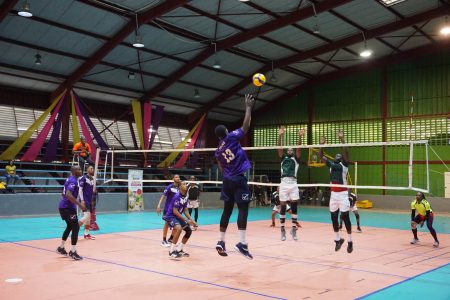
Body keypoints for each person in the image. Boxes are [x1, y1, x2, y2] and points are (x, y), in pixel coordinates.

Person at [215, 94, 254, 259]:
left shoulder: (218, 149)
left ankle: (221, 241)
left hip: (227, 180)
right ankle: (242, 243)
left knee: (227, 210)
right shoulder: (231, 137)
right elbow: (245, 126)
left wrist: (227, 174)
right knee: (243, 208)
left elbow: (220, 165)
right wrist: (248, 107)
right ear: (226, 132)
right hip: (238, 178)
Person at [319, 130, 353, 253]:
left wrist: (342, 139)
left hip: (343, 194)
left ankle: (350, 241)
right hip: (334, 195)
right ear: (334, 158)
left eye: (340, 156)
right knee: (333, 218)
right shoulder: (331, 165)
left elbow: (346, 151)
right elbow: (320, 156)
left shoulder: (345, 165)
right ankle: (338, 239)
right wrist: (321, 144)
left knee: (345, 217)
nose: (338, 156)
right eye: (336, 156)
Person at [277, 126, 304, 241]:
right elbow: (279, 148)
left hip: (293, 183)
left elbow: (298, 148)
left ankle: (293, 229)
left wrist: (299, 136)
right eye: (287, 150)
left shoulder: (296, 158)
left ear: (292, 152)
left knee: (294, 205)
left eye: (291, 150)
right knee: (283, 205)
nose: (289, 151)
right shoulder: (283, 157)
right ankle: (282, 229)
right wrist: (280, 135)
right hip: (283, 183)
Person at [57, 166, 85, 261]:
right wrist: (80, 205)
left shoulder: (69, 178)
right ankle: (73, 252)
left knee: (70, 226)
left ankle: (61, 247)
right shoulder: (73, 181)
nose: (81, 171)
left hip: (63, 206)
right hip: (67, 208)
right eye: (79, 169)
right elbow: (68, 194)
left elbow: (63, 193)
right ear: (74, 171)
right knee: (76, 227)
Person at [165, 181, 197, 258]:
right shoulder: (177, 196)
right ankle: (171, 251)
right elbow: (175, 211)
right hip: (171, 216)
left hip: (178, 217)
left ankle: (179, 249)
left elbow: (185, 210)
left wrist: (192, 220)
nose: (186, 185)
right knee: (179, 229)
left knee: (188, 231)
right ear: (180, 187)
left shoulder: (185, 196)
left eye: (186, 184)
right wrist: (186, 220)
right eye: (183, 184)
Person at [156, 174, 180, 247]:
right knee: (166, 223)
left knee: (177, 224)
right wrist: (158, 206)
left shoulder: (180, 188)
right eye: (176, 177)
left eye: (178, 177)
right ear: (173, 179)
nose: (178, 178)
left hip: (176, 209)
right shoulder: (169, 187)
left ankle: (171, 239)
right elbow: (163, 196)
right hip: (168, 209)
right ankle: (164, 240)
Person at [79, 165, 96, 240]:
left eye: (93, 168)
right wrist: (82, 200)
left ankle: (86, 234)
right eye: (91, 168)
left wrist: (92, 201)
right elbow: (80, 190)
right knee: (87, 216)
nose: (92, 169)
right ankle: (75, 227)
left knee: (88, 218)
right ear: (87, 169)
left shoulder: (92, 179)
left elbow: (92, 192)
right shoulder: (83, 178)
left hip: (89, 201)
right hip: (84, 200)